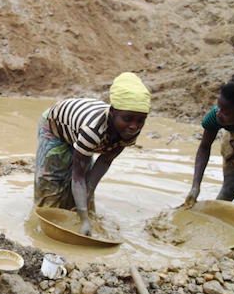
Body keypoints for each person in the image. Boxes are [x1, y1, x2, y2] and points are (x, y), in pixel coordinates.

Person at [34, 72, 151, 236]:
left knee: (85, 190)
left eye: (140, 120)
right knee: (52, 179)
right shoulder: (93, 131)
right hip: (55, 126)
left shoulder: (130, 131)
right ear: (112, 113)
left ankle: (78, 215)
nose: (134, 126)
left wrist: (87, 199)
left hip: (82, 131)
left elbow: (104, 162)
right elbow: (78, 176)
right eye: (127, 118)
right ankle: (44, 225)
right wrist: (83, 220)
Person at [185, 73, 234, 209]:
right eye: (219, 107)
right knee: (229, 191)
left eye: (226, 112)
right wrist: (195, 187)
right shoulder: (215, 116)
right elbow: (204, 147)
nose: (219, 113)